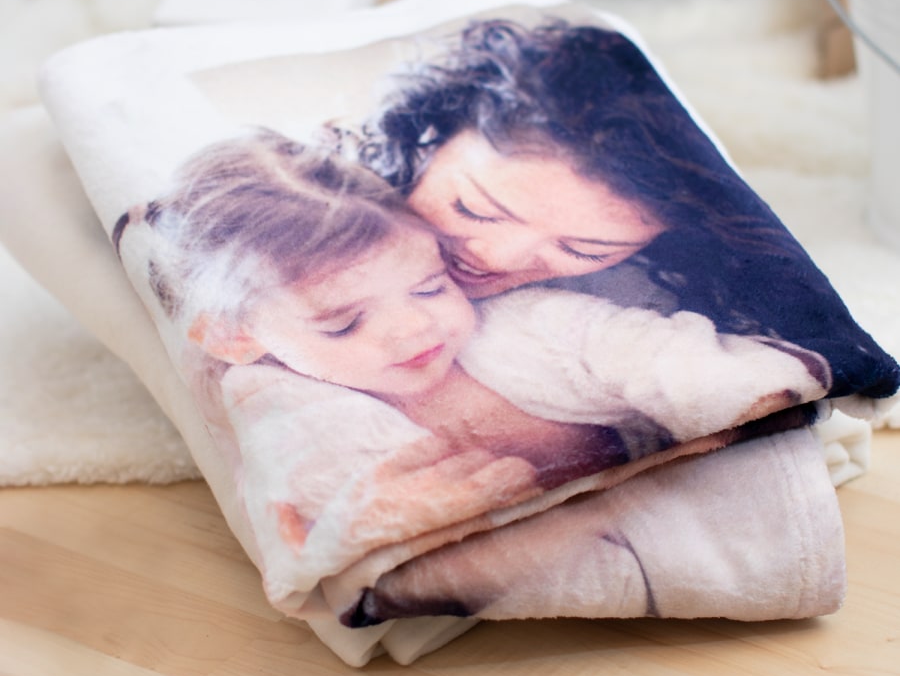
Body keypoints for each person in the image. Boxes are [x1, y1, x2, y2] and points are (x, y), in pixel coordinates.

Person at [113, 129, 830, 566]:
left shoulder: (527, 327)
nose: (415, 330)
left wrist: (738, 399)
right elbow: (304, 530)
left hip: (681, 516)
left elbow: (660, 356)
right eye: (342, 324)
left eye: (431, 286)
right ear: (235, 336)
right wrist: (341, 541)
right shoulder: (286, 410)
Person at [361, 17, 899, 400]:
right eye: (475, 209)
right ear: (426, 139)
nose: (496, 257)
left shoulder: (646, 308)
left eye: (581, 248)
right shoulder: (330, 193)